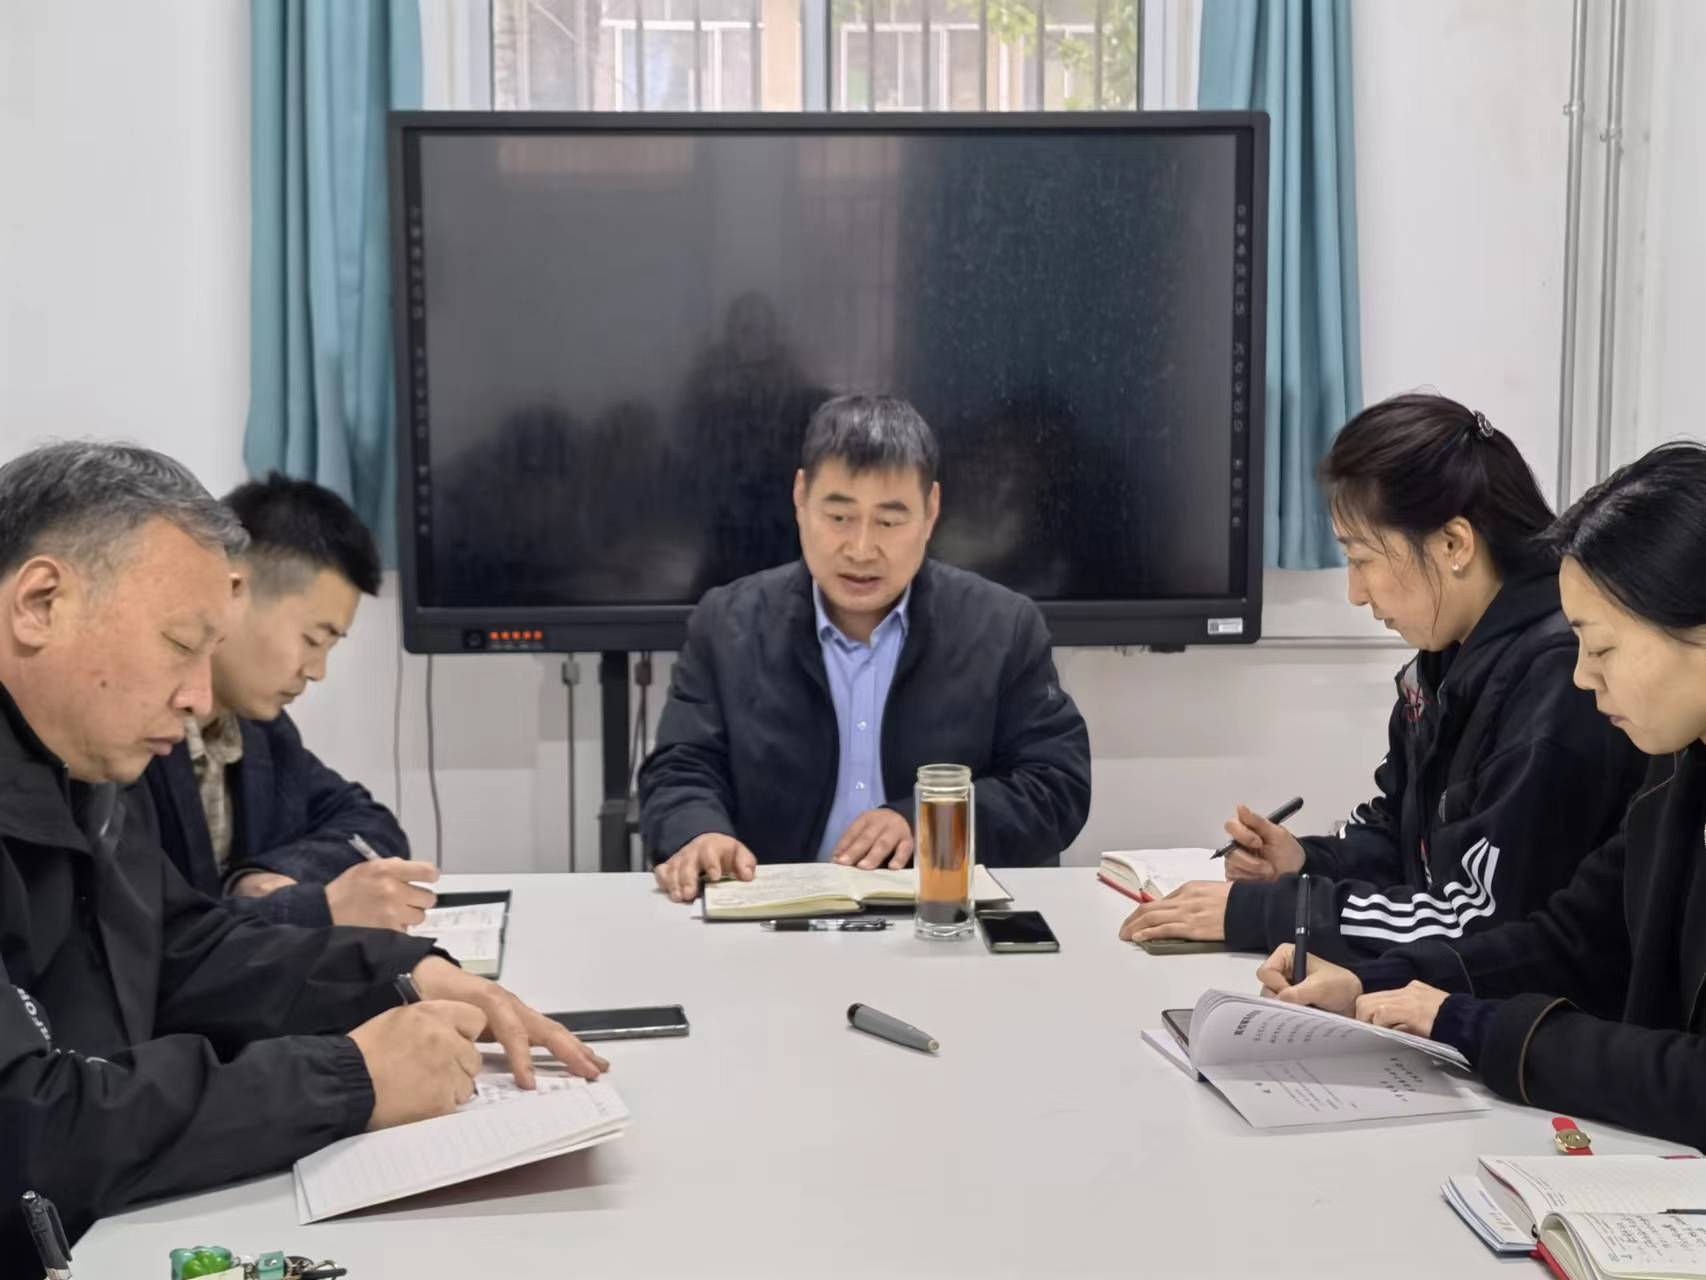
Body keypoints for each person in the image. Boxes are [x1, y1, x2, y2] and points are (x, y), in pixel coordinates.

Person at [0, 442, 606, 1269]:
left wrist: (400, 973)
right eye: (180, 644)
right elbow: (28, 1126)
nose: (199, 698)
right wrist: (348, 1079)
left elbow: (180, 951)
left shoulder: (83, 766)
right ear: (40, 603)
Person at [1257, 442, 1706, 1147]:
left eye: (1602, 648)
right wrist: (1375, 984)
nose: (1583, 678)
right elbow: (1574, 940)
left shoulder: (1557, 693)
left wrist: (1471, 1024)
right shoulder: (1677, 770)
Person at [1121, 393, 1644, 961]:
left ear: (1454, 544)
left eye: (1361, 559)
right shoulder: (1444, 662)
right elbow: (1403, 840)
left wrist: (1266, 913)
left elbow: (1481, 925)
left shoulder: (1557, 683)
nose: (1355, 593)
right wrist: (1305, 862)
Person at [640, 394, 1092, 902]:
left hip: (940, 915)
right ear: (801, 498)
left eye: (889, 521)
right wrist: (699, 833)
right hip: (772, 917)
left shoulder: (1003, 627)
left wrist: (927, 821)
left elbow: (1056, 786)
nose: (860, 549)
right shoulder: (727, 624)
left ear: (931, 510)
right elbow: (683, 766)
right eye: (839, 516)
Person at [144, 473, 431, 930]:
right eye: (313, 639)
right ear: (232, 592)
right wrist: (306, 907)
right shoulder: (134, 735)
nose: (317, 671)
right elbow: (150, 932)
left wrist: (263, 876)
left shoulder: (263, 733)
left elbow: (370, 824)